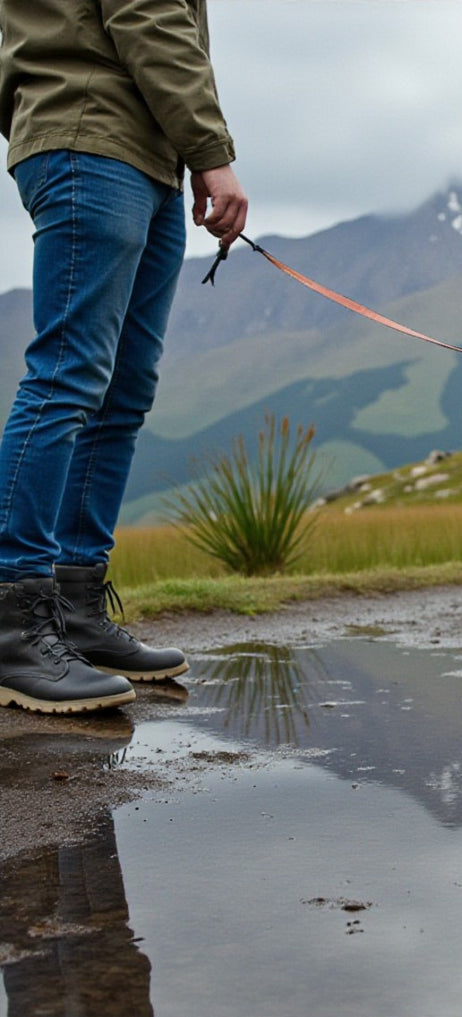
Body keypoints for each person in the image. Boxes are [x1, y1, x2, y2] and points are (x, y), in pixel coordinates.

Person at [0, 0, 247, 714]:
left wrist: (184, 149)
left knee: (123, 389)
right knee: (68, 375)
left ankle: (75, 607)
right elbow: (147, 15)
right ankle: (15, 620)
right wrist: (212, 152)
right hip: (94, 135)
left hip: (140, 147)